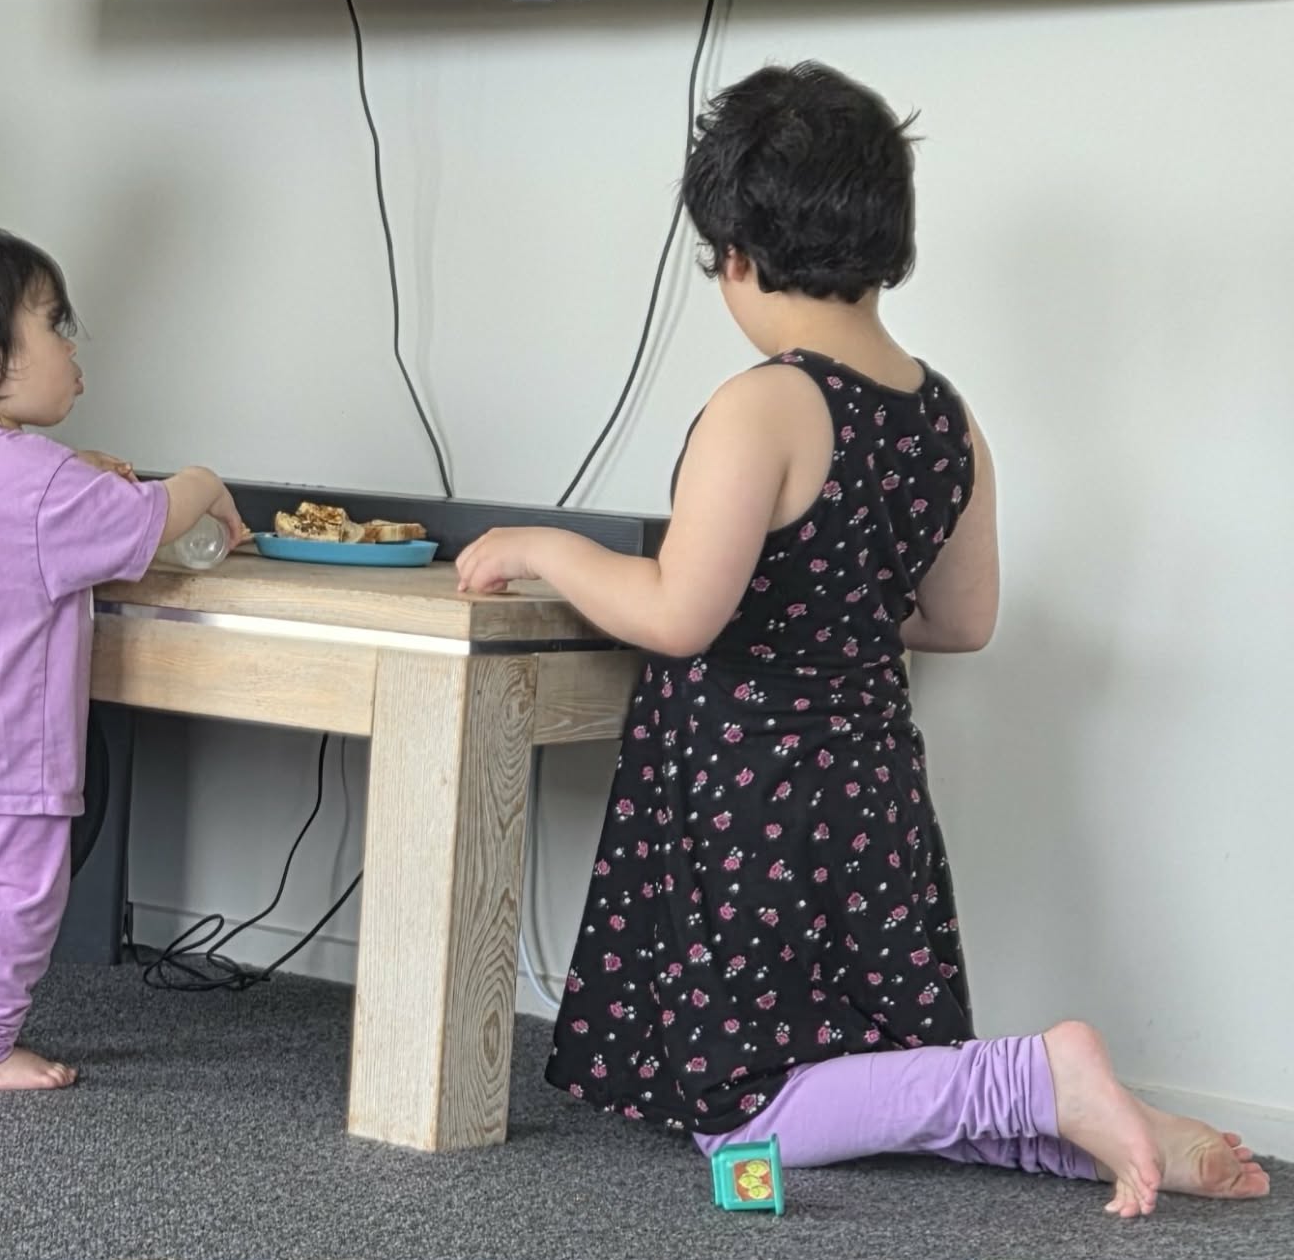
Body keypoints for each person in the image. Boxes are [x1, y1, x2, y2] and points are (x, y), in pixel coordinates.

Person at [455, 63, 1269, 1218]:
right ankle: (1095, 1127)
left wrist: (546, 548)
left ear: (732, 249)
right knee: (862, 1072)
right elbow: (958, 619)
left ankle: (1036, 1076)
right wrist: (826, 608)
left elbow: (682, 611)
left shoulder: (764, 405)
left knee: (741, 1108)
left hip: (749, 794)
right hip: (869, 786)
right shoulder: (946, 415)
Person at [0, 229, 245, 1089]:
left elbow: (23, 503)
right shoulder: (41, 482)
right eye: (55, 324)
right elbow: (148, 523)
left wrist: (72, 469)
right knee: (19, 898)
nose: (72, 346)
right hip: (5, 750)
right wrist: (204, 482)